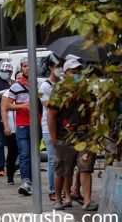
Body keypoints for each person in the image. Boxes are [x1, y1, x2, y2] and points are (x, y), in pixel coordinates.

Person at [48, 58, 98, 211]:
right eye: (73, 71)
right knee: (63, 169)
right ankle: (58, 198)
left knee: (85, 167)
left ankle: (87, 200)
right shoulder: (59, 91)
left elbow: (93, 112)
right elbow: (51, 116)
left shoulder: (87, 91)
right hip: (65, 136)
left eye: (79, 71)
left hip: (84, 135)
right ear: (66, 73)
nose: (77, 74)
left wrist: (94, 133)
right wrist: (53, 137)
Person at [2, 58, 33, 196]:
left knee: (33, 155)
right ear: (21, 68)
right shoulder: (15, 87)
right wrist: (23, 106)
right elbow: (7, 106)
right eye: (25, 66)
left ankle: (31, 181)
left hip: (36, 125)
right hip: (22, 125)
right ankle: (25, 182)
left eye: (29, 65)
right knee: (24, 153)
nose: (27, 68)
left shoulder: (39, 84)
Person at [38, 54, 63, 201]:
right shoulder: (44, 87)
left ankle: (64, 190)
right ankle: (53, 190)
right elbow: (49, 106)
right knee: (53, 160)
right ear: (50, 68)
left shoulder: (65, 83)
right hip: (49, 128)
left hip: (65, 127)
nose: (59, 69)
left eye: (61, 66)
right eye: (56, 66)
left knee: (64, 160)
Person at [1, 70, 22, 185]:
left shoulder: (28, 91)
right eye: (17, 78)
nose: (19, 80)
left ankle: (26, 175)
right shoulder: (8, 93)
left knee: (25, 152)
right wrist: (6, 126)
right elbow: (3, 110)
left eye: (21, 78)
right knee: (12, 152)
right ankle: (10, 176)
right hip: (12, 128)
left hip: (24, 126)